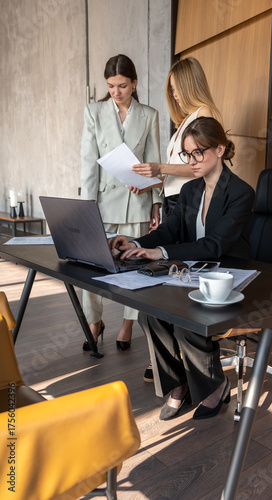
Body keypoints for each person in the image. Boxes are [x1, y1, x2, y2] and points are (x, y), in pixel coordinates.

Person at [110, 117, 255, 420]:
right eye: (187, 154)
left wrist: (159, 252)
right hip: (194, 272)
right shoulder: (190, 190)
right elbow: (168, 231)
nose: (192, 161)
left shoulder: (241, 192)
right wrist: (135, 242)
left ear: (220, 148)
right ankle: (179, 384)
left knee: (186, 319)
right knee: (150, 312)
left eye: (198, 153)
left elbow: (215, 245)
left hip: (228, 278)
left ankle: (215, 385)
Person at [80, 54, 162, 352]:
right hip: (101, 202)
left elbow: (154, 164)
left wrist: (155, 200)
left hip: (137, 202)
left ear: (134, 83)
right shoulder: (94, 112)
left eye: (123, 86)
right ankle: (94, 321)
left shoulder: (149, 115)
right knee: (90, 265)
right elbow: (88, 163)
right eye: (111, 86)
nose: (116, 92)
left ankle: (127, 325)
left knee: (136, 267)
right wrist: (86, 208)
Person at [131, 57, 223, 220]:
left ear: (189, 86)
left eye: (176, 88)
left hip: (187, 200)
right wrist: (150, 184)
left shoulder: (203, 113)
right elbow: (176, 176)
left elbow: (201, 166)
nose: (174, 95)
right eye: (171, 90)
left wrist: (160, 168)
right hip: (173, 200)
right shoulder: (185, 121)